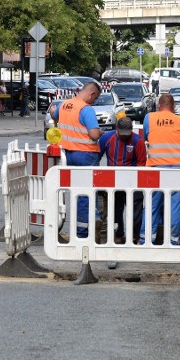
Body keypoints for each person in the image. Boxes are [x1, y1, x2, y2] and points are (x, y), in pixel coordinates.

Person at [53, 81, 105, 238]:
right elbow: (94, 134)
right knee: (87, 192)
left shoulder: (64, 105)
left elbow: (53, 113)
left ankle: (87, 224)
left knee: (76, 192)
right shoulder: (86, 109)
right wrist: (102, 132)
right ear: (91, 94)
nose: (94, 102)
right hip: (86, 155)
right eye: (95, 99)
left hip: (68, 155)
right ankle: (85, 231)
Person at [141, 93, 180, 245]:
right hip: (178, 167)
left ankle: (147, 239)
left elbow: (147, 137)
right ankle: (173, 240)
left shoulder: (150, 118)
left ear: (159, 106)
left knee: (152, 204)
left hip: (156, 166)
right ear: (173, 107)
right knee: (175, 205)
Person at [99, 116, 147, 244]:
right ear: (116, 129)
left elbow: (141, 164)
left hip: (133, 181)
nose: (124, 137)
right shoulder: (107, 138)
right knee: (116, 210)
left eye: (127, 134)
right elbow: (97, 156)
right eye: (122, 134)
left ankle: (134, 236)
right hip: (114, 181)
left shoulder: (138, 141)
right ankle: (118, 235)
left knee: (136, 211)